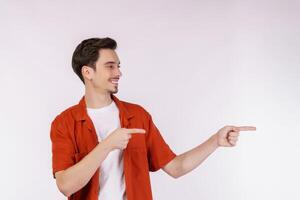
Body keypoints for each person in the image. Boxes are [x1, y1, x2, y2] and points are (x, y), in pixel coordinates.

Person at [50, 37, 256, 200]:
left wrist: (215, 141)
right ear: (88, 72)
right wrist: (107, 145)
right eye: (110, 66)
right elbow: (66, 185)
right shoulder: (64, 123)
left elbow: (176, 167)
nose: (119, 72)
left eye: (118, 66)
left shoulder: (137, 116)